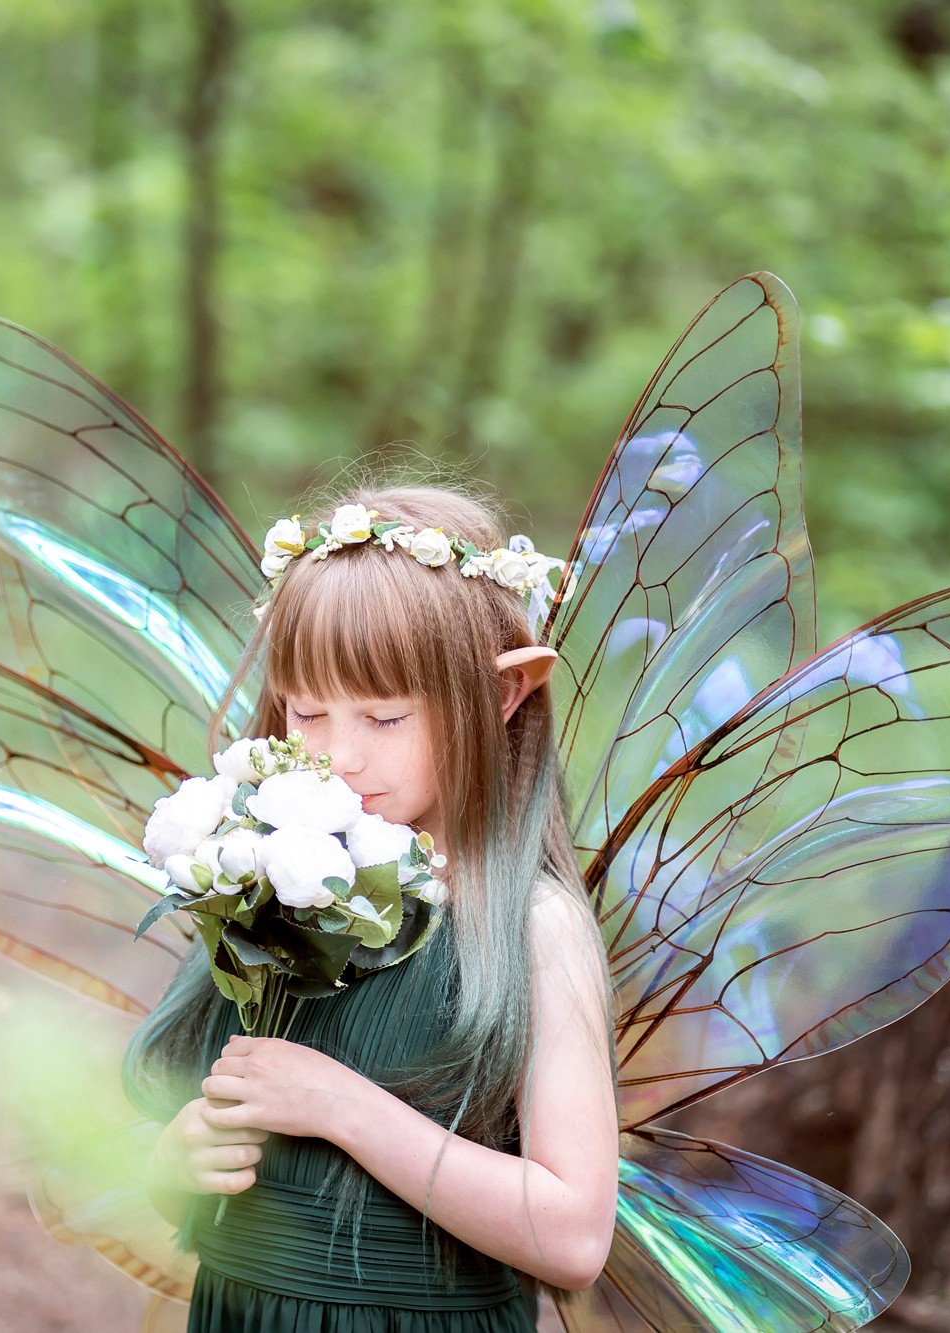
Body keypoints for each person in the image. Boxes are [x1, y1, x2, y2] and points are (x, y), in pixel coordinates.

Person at [123, 484, 622, 1332]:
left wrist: (342, 1107)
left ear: (504, 695)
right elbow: (195, 1144)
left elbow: (574, 1236)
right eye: (307, 710)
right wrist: (178, 1157)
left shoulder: (532, 928)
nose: (338, 754)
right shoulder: (270, 888)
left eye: (384, 716)